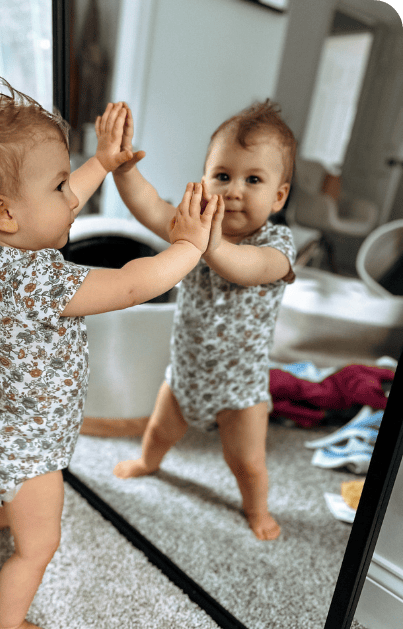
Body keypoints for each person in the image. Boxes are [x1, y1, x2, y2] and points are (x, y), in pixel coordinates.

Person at [0, 77, 223, 629]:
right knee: (40, 545)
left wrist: (101, 163)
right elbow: (131, 285)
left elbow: (55, 204)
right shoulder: (40, 279)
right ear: (4, 211)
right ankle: (5, 627)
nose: (72, 197)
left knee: (11, 497)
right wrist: (188, 247)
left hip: (1, 427)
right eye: (59, 185)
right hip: (29, 449)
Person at [111, 100, 298, 542]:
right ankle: (149, 463)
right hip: (186, 376)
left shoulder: (278, 244)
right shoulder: (192, 227)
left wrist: (207, 244)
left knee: (247, 462)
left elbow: (246, 268)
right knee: (158, 431)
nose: (234, 191)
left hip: (240, 389)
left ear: (278, 196)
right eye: (222, 176)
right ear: (204, 180)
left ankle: (256, 509)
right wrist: (123, 170)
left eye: (253, 180)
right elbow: (150, 206)